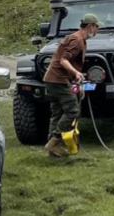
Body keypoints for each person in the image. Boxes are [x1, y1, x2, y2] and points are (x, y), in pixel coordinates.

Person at [43, 14, 100, 158]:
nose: (97, 30)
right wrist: (76, 73)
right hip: (58, 80)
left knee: (57, 113)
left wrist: (75, 81)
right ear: (90, 26)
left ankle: (53, 151)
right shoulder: (77, 40)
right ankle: (56, 139)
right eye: (96, 26)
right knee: (73, 110)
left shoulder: (76, 38)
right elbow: (63, 61)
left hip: (52, 79)